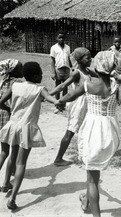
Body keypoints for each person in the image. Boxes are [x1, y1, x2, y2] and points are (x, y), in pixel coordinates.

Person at [57, 51, 121, 217]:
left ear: (96, 68)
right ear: (112, 66)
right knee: (94, 171)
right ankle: (85, 202)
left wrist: (59, 101)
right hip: (109, 131)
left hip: (92, 130)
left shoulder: (88, 85)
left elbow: (69, 95)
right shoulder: (117, 87)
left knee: (92, 179)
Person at [0, 62, 59, 210]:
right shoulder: (39, 89)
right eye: (40, 73)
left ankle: (6, 183)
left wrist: (11, 109)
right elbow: (52, 100)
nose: (42, 75)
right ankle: (12, 198)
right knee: (21, 163)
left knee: (12, 156)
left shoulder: (15, 86)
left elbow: (0, 101)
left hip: (13, 125)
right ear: (34, 75)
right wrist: (59, 102)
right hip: (26, 128)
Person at [49, 47, 96, 166]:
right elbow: (62, 85)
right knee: (70, 131)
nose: (90, 59)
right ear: (79, 60)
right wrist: (47, 95)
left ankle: (85, 154)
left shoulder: (87, 71)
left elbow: (101, 75)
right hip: (78, 104)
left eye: (91, 57)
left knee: (85, 129)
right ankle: (58, 158)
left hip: (87, 103)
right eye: (87, 58)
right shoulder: (76, 73)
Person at [0, 59, 23, 192]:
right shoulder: (16, 83)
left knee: (4, 149)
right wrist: (9, 110)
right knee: (9, 151)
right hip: (7, 116)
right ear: (13, 70)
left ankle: (11, 173)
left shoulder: (2, 81)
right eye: (19, 68)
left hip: (0, 115)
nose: (22, 69)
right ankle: (6, 183)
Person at [50, 30, 72, 113]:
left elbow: (68, 58)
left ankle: (63, 104)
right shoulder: (54, 48)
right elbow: (52, 60)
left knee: (65, 88)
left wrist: (72, 67)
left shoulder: (68, 47)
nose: (61, 39)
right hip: (58, 70)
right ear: (56, 38)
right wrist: (53, 72)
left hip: (66, 70)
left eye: (63, 37)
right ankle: (57, 104)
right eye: (60, 38)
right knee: (58, 88)